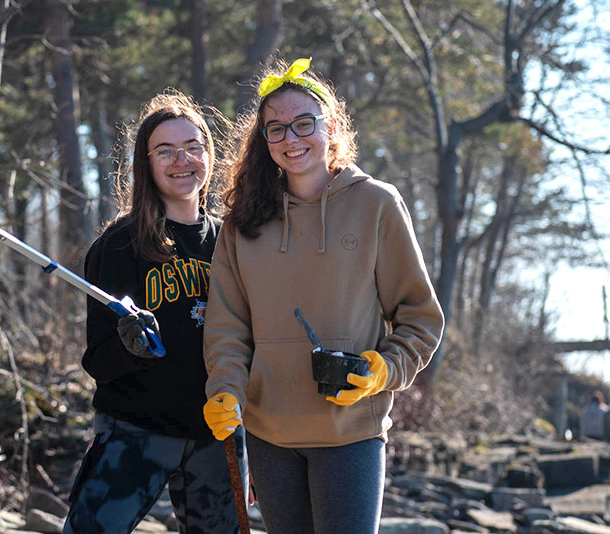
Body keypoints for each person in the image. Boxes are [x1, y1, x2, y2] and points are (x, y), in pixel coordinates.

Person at [201, 58, 444, 534]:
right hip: (268, 436)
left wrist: (384, 371)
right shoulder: (242, 222)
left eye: (304, 124)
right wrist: (225, 389)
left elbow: (419, 319)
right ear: (264, 140)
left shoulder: (376, 204)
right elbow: (228, 327)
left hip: (350, 434)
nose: (292, 139)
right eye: (276, 129)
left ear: (330, 125)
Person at [63, 91, 247, 534]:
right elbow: (98, 363)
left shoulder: (234, 243)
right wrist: (131, 347)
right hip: (134, 434)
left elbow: (250, 341)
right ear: (146, 163)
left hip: (215, 439)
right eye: (165, 151)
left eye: (192, 147)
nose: (181, 160)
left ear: (209, 153)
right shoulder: (118, 246)